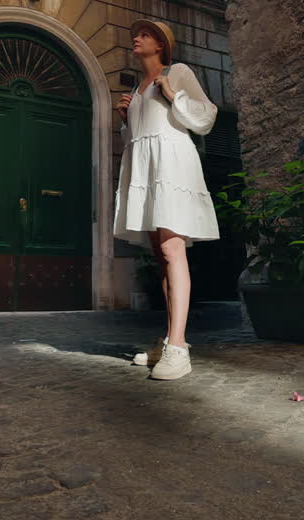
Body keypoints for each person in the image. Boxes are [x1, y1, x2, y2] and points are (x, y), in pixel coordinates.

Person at [114, 19, 219, 380]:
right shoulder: (137, 86)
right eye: (136, 34)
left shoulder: (177, 71)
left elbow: (206, 117)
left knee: (174, 250)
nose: (136, 38)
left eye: (144, 35)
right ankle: (173, 340)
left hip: (173, 164)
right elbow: (136, 139)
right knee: (161, 257)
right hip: (147, 167)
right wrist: (125, 118)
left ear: (160, 44)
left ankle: (178, 350)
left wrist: (174, 95)